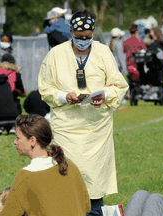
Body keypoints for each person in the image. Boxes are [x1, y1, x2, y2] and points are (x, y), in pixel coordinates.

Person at [38, 9, 129, 216]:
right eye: (79, 37)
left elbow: (118, 85)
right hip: (66, 127)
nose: (83, 41)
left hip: (96, 129)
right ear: (71, 31)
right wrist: (64, 96)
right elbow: (45, 89)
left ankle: (95, 211)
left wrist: (104, 95)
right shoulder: (55, 54)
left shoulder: (103, 51)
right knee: (65, 176)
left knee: (94, 181)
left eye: (87, 37)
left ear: (93, 33)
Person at [0, 114, 91, 216]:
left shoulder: (26, 176)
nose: (15, 142)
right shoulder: (68, 165)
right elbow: (87, 206)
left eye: (18, 138)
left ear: (32, 141)